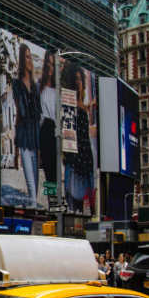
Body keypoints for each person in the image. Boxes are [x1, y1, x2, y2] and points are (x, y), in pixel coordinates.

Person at [63, 65, 97, 215]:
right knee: (73, 199)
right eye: (75, 79)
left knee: (85, 201)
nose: (78, 82)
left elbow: (86, 132)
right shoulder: (69, 104)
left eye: (80, 79)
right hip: (75, 156)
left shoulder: (84, 106)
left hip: (86, 155)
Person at [12, 43, 42, 208]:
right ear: (23, 60)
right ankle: (33, 208)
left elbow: (39, 115)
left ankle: (34, 209)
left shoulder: (36, 86)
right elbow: (17, 114)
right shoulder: (17, 85)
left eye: (31, 57)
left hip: (35, 137)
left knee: (36, 186)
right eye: (28, 57)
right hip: (24, 137)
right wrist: (16, 151)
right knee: (31, 185)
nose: (30, 61)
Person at [38, 50, 59, 187]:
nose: (50, 66)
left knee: (56, 172)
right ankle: (51, 203)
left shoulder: (59, 89)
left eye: (53, 64)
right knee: (48, 172)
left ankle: (56, 203)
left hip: (57, 132)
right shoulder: (39, 86)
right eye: (48, 63)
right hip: (45, 128)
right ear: (45, 64)